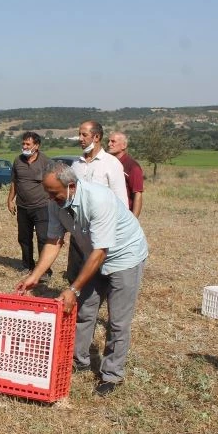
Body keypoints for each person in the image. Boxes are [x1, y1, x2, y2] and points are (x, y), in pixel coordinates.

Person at [15, 162, 148, 397]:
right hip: (93, 256)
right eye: (48, 193)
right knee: (84, 310)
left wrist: (73, 289)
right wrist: (34, 276)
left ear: (71, 186)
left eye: (54, 193)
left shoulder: (99, 199)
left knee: (118, 321)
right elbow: (54, 241)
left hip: (124, 257)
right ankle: (79, 360)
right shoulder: (56, 203)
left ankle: (112, 374)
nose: (50, 198)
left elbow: (101, 252)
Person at [67, 120, 128, 283]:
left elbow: (121, 201)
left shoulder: (111, 164)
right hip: (78, 230)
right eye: (79, 134)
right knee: (74, 275)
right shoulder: (76, 164)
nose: (80, 138)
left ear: (96, 137)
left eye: (84, 135)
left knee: (99, 277)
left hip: (101, 231)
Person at [7, 132, 52, 281]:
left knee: (43, 238)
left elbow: (53, 183)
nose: (24, 146)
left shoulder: (45, 162)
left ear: (36, 146)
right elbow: (15, 182)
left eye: (28, 144)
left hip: (42, 207)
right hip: (23, 207)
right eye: (23, 144)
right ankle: (27, 265)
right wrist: (10, 200)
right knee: (24, 238)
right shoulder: (18, 161)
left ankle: (44, 270)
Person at [107, 132, 144, 218]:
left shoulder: (133, 166)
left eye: (113, 141)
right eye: (108, 141)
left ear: (124, 145)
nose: (109, 144)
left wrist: (133, 220)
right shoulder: (107, 163)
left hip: (123, 215)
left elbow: (137, 194)